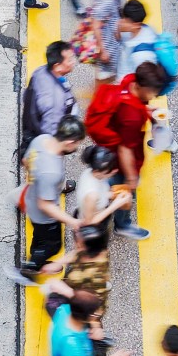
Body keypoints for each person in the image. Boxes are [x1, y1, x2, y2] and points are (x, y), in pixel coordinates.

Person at [85, 62, 166, 240]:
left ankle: (105, 212)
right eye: (152, 92)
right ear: (142, 87)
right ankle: (121, 224)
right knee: (123, 190)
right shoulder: (132, 117)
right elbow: (125, 150)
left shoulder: (129, 80)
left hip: (110, 148)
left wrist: (146, 111)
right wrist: (131, 178)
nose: (154, 96)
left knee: (112, 187)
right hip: (120, 160)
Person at [21, 116, 86, 276]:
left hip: (30, 197)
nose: (77, 147)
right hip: (44, 216)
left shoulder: (41, 139)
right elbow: (45, 205)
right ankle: (33, 266)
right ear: (69, 142)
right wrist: (73, 221)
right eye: (77, 143)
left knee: (39, 238)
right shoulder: (51, 171)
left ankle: (36, 254)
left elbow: (25, 161)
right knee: (53, 245)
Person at [22, 40, 79, 155]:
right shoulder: (55, 100)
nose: (73, 62)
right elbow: (51, 135)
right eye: (69, 60)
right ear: (57, 66)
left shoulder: (40, 71)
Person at [88, 0, 137, 84]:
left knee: (106, 73)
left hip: (111, 36)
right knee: (106, 75)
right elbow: (96, 25)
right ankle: (98, 95)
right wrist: (103, 50)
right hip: (107, 42)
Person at [76, 145, 131, 231]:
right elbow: (88, 222)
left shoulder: (89, 172)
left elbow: (100, 192)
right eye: (109, 171)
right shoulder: (92, 195)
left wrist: (112, 195)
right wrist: (115, 205)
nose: (115, 171)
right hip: (96, 225)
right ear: (97, 172)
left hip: (98, 210)